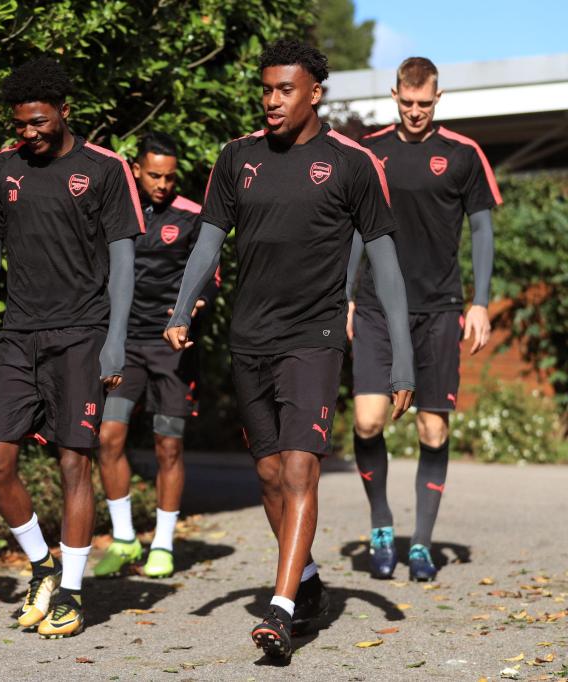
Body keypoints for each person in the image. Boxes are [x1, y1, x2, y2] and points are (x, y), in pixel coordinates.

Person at [164, 39, 415, 660]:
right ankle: (305, 583)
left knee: (301, 468)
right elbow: (208, 243)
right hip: (249, 336)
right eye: (268, 89)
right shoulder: (237, 158)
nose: (272, 101)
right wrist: (179, 307)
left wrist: (402, 355)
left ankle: (278, 611)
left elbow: (385, 263)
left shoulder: (352, 163)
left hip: (316, 334)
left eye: (285, 90)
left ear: (314, 95)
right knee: (271, 475)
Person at [0, 57, 144, 639]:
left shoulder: (105, 169)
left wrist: (115, 340)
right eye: (20, 125)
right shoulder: (0, 170)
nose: (28, 134)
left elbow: (123, 262)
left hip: (82, 336)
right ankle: (43, 565)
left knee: (72, 463)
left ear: (65, 112)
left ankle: (74, 592)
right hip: (16, 335)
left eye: (38, 122)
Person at [346, 56, 501, 582]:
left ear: (438, 99)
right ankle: (383, 524)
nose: (415, 112)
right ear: (395, 96)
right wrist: (345, 295)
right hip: (373, 307)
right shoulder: (370, 153)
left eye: (424, 103)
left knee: (433, 430)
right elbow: (352, 231)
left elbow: (481, 230)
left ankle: (422, 546)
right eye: (407, 102)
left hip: (438, 309)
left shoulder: (462, 154)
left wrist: (480, 301)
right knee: (368, 420)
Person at [93, 132, 219, 580]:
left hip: (171, 348)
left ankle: (163, 544)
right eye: (154, 176)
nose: (163, 185)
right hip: (124, 346)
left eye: (169, 177)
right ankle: (125, 539)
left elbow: (209, 275)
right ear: (136, 169)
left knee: (168, 444)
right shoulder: (115, 212)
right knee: (108, 438)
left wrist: (195, 305)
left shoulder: (192, 217)